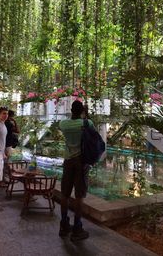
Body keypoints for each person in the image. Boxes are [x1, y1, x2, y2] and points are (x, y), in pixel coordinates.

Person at [59, 100, 94, 242]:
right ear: (82, 111)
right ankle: (77, 228)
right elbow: (93, 137)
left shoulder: (64, 124)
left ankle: (64, 225)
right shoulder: (87, 124)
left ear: (71, 110)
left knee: (65, 195)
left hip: (68, 162)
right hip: (81, 162)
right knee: (79, 196)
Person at [0, 110, 20, 186]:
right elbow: (18, 131)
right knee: (6, 163)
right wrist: (14, 121)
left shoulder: (1, 123)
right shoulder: (9, 124)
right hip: (7, 145)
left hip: (1, 145)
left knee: (2, 163)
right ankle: (3, 180)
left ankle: (2, 179)